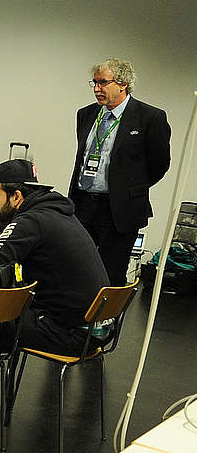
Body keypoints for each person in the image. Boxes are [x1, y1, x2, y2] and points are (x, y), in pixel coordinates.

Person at [0, 159, 108, 355]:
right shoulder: (57, 212)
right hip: (95, 328)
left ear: (16, 197)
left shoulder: (31, 220)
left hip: (72, 334)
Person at [69, 58, 171, 285]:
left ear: (123, 83)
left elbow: (159, 164)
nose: (97, 88)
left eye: (103, 82)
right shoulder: (85, 114)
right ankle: (77, 316)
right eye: (94, 82)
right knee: (75, 265)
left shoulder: (149, 117)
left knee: (111, 271)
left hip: (119, 208)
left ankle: (106, 319)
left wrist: (127, 188)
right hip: (83, 203)